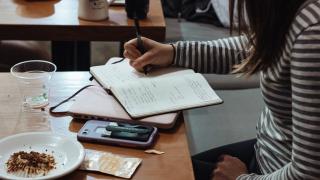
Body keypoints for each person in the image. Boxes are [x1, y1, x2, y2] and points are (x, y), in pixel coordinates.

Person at [123, 0, 320, 179]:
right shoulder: (290, 12)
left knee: (156, 171)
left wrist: (241, 179)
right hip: (268, 152)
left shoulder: (311, 33)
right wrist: (173, 53)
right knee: (156, 167)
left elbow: (308, 173)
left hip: (274, 170)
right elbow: (257, 47)